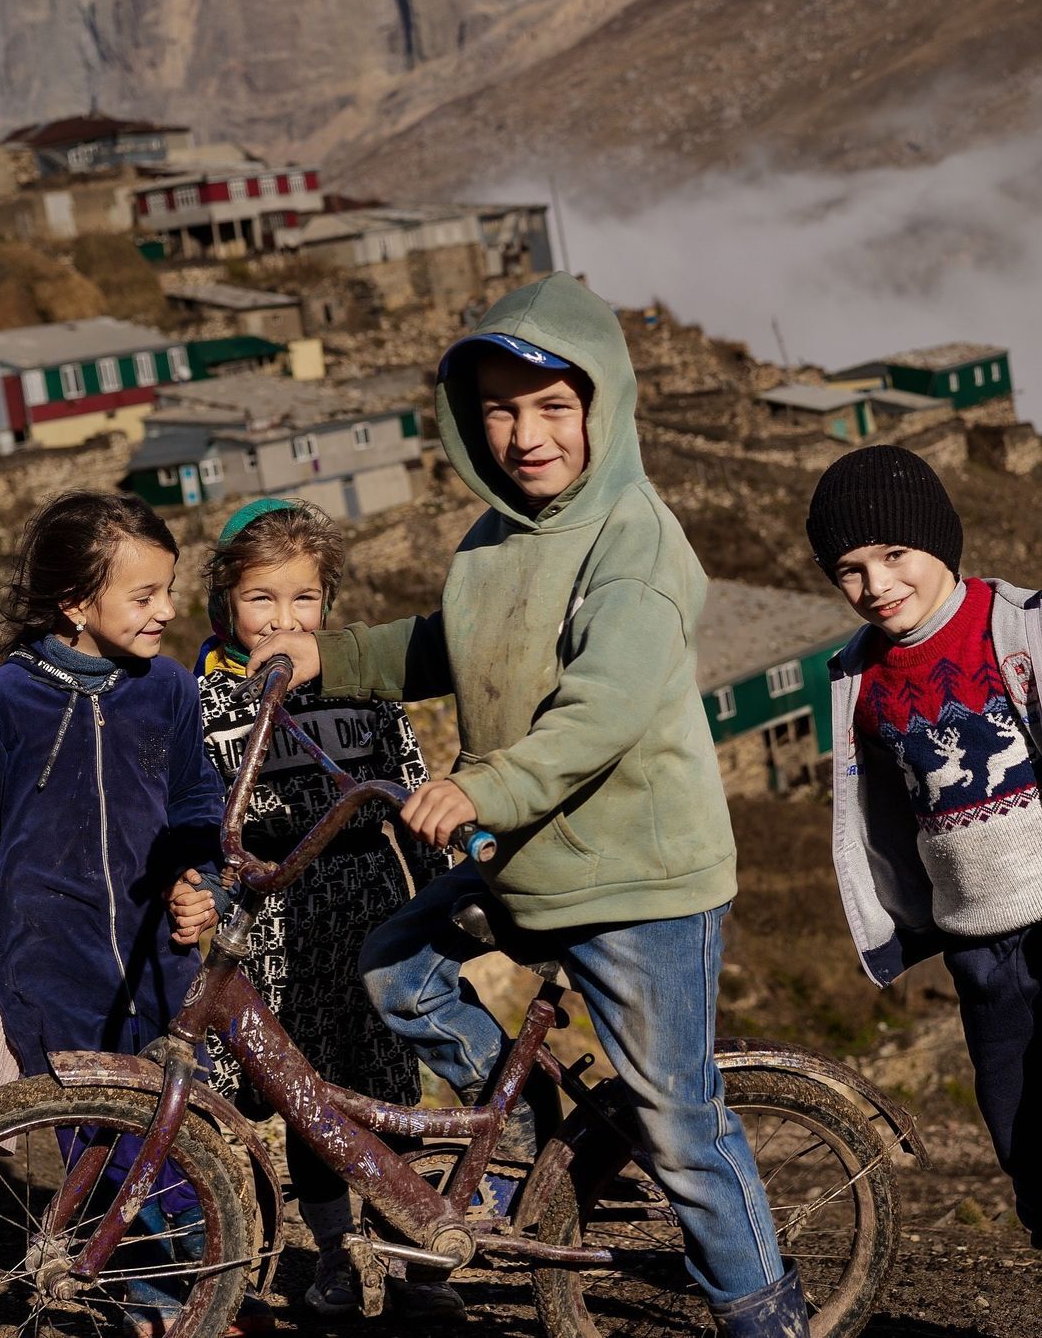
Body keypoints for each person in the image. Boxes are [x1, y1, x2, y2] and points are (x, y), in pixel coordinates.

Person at [245, 272, 811, 1336]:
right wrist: (331, 655)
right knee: (393, 968)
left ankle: (762, 1310)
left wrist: (479, 784)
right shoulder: (495, 540)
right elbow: (442, 641)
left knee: (681, 1122)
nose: (524, 434)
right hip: (526, 851)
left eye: (553, 406)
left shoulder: (634, 545)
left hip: (638, 879)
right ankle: (554, 1131)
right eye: (499, 409)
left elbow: (600, 711)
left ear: (604, 405)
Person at [0, 491, 265, 1337]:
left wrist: (199, 876)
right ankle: (152, 1297)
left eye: (168, 589)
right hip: (47, 954)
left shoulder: (168, 690)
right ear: (75, 604)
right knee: (96, 1130)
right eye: (144, 596)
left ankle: (201, 1278)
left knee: (177, 1116)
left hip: (158, 947)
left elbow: (198, 801)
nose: (168, 610)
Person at [174, 497, 457, 1321]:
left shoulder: (364, 690)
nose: (283, 619)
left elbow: (412, 795)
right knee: (308, 1101)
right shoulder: (203, 703)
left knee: (389, 1089)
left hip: (380, 917)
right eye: (262, 598)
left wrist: (448, 893)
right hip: (275, 931)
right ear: (224, 601)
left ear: (328, 604)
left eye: (303, 598)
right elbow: (197, 824)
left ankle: (413, 1254)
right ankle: (336, 1251)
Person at [806, 443, 1042, 1249]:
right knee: (1022, 1144)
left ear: (939, 539)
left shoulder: (1014, 631)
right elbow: (888, 816)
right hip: (977, 954)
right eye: (849, 569)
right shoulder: (862, 679)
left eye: (894, 555)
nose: (876, 586)